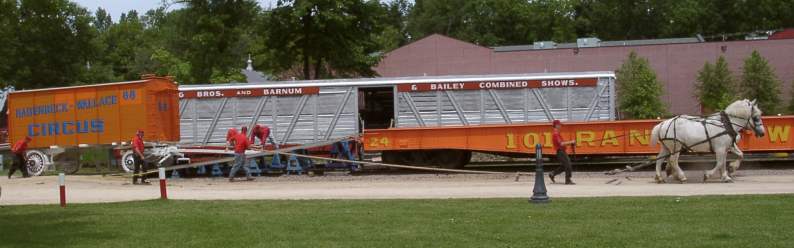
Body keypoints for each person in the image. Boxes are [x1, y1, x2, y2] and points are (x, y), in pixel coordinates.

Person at [549, 120, 576, 185]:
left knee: (564, 166)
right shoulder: (556, 134)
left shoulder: (557, 134)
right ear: (556, 125)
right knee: (568, 165)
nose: (560, 126)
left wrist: (570, 143)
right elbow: (561, 144)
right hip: (561, 152)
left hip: (561, 152)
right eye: (559, 125)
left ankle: (552, 174)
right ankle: (568, 180)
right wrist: (571, 142)